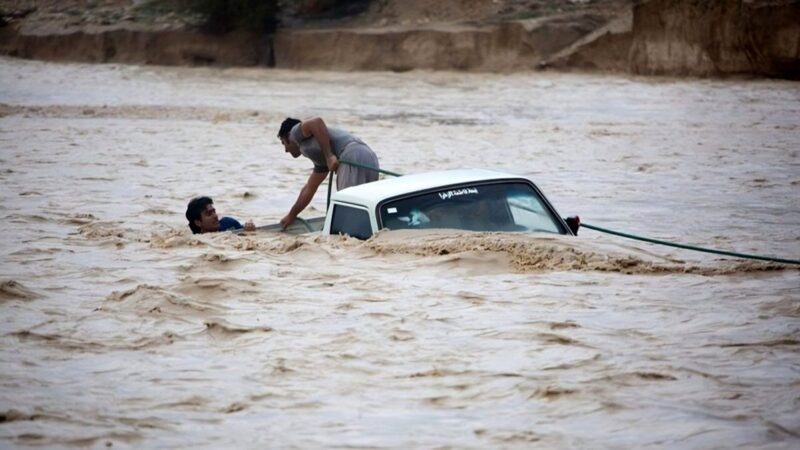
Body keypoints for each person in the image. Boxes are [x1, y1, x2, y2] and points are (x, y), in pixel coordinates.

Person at [277, 117, 379, 230]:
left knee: (348, 205)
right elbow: (309, 189)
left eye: (283, 143)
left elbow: (316, 122)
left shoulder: (294, 133)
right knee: (364, 205)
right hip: (369, 157)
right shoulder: (319, 158)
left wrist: (329, 156)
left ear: (287, 137)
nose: (286, 150)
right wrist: (291, 215)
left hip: (351, 154)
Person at [185, 196, 255, 234]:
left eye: (214, 212)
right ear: (198, 222)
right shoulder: (195, 241)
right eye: (209, 214)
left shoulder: (229, 224)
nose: (215, 216)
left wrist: (249, 231)